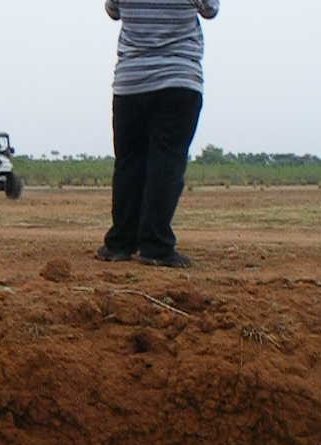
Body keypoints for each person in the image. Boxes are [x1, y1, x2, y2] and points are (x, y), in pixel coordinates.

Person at [98, 0, 220, 268]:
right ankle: (156, 245)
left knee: (128, 163)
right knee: (166, 162)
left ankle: (120, 243)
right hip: (178, 78)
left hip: (130, 81)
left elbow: (112, 11)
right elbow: (211, 9)